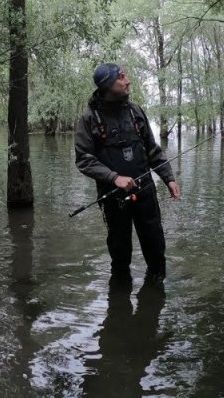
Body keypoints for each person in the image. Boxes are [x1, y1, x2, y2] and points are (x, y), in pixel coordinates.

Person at [75, 63, 182, 284]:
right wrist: (114, 177)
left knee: (155, 246)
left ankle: (155, 295)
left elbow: (153, 150)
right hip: (113, 198)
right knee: (120, 252)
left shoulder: (135, 111)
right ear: (107, 84)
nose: (128, 81)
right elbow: (84, 160)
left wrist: (168, 177)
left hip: (145, 193)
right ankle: (120, 299)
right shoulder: (90, 118)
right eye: (121, 77)